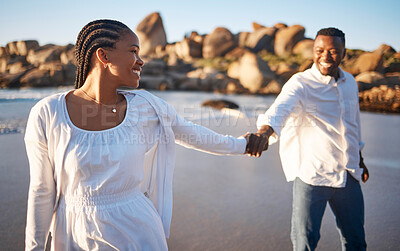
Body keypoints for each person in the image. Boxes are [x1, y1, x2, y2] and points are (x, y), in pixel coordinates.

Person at [24, 19, 249, 250]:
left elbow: (194, 134)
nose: (141, 61)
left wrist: (244, 144)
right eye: (133, 51)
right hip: (74, 236)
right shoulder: (48, 113)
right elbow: (41, 191)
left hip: (138, 233)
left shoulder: (147, 107)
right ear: (104, 56)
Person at [246, 27, 369, 250]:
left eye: (333, 51)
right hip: (313, 176)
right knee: (304, 243)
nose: (325, 56)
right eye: (319, 50)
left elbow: (352, 124)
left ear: (344, 53)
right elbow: (279, 110)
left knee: (356, 241)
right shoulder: (300, 83)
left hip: (348, 175)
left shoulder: (350, 82)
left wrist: (359, 157)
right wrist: (264, 133)